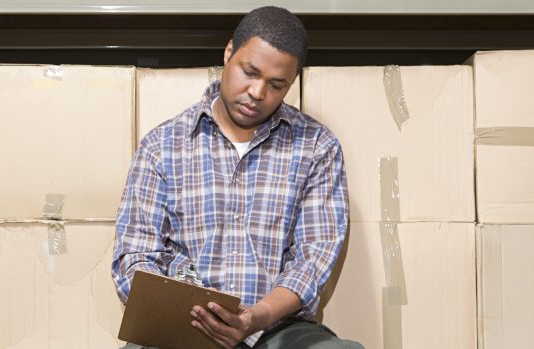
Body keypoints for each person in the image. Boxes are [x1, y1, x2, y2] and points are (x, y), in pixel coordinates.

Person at [113, 6, 362, 349]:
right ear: (229, 52)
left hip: (276, 329)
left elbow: (313, 260)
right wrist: (188, 312)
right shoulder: (162, 145)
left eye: (277, 85)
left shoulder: (317, 147)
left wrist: (253, 318)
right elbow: (134, 256)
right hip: (182, 325)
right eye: (249, 72)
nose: (258, 93)